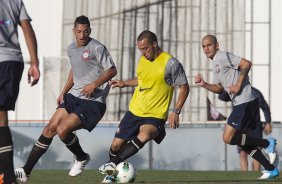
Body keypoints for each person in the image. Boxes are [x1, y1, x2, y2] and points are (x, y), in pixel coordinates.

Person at [14, 15, 117, 182]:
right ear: (74, 32)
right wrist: (64, 91)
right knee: (49, 129)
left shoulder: (97, 47)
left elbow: (112, 71)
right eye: (79, 31)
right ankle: (26, 171)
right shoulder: (71, 49)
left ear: (90, 30)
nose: (82, 35)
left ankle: (81, 157)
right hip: (73, 96)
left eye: (85, 31)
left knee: (63, 130)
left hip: (92, 102)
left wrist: (94, 85)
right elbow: (74, 71)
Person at [98, 30, 190, 183]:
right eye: (140, 49)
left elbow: (184, 87)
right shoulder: (143, 60)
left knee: (145, 134)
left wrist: (176, 111)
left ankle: (112, 166)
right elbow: (143, 80)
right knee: (115, 146)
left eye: (145, 48)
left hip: (155, 115)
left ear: (155, 44)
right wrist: (125, 83)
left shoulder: (171, 63)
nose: (143, 53)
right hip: (135, 110)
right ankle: (112, 176)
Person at [195, 34, 278, 179]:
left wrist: (239, 84)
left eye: (209, 45)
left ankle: (267, 143)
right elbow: (220, 88)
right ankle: (271, 169)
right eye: (203, 46)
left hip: (244, 101)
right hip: (240, 103)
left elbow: (246, 63)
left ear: (217, 45)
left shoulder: (222, 56)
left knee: (227, 137)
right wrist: (204, 85)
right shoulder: (215, 63)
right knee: (239, 141)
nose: (206, 48)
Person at [0, 0, 40, 183]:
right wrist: (34, 63)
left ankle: (7, 176)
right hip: (12, 62)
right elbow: (26, 28)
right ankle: (7, 176)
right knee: (1, 117)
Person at [219, 87, 274, 171]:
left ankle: (257, 173)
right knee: (242, 152)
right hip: (240, 127)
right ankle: (245, 177)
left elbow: (265, 107)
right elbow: (222, 97)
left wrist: (268, 122)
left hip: (254, 126)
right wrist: (225, 88)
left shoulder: (255, 92)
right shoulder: (236, 91)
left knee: (257, 150)